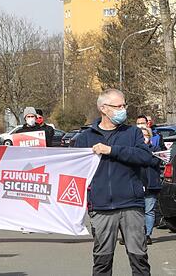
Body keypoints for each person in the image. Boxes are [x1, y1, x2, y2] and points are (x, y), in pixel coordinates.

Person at [74, 88, 159, 276]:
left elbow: (145, 157)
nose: (123, 110)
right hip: (101, 207)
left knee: (139, 259)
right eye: (118, 106)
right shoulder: (85, 138)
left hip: (131, 205)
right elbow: (71, 169)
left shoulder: (132, 133)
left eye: (124, 105)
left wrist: (111, 150)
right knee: (102, 262)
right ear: (103, 108)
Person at [141, 127, 162, 245]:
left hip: (151, 184)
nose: (144, 137)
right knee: (136, 212)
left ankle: (147, 234)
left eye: (146, 135)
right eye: (142, 135)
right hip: (137, 184)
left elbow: (154, 162)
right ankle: (135, 234)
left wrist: (144, 156)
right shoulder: (134, 149)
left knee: (149, 211)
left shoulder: (156, 149)